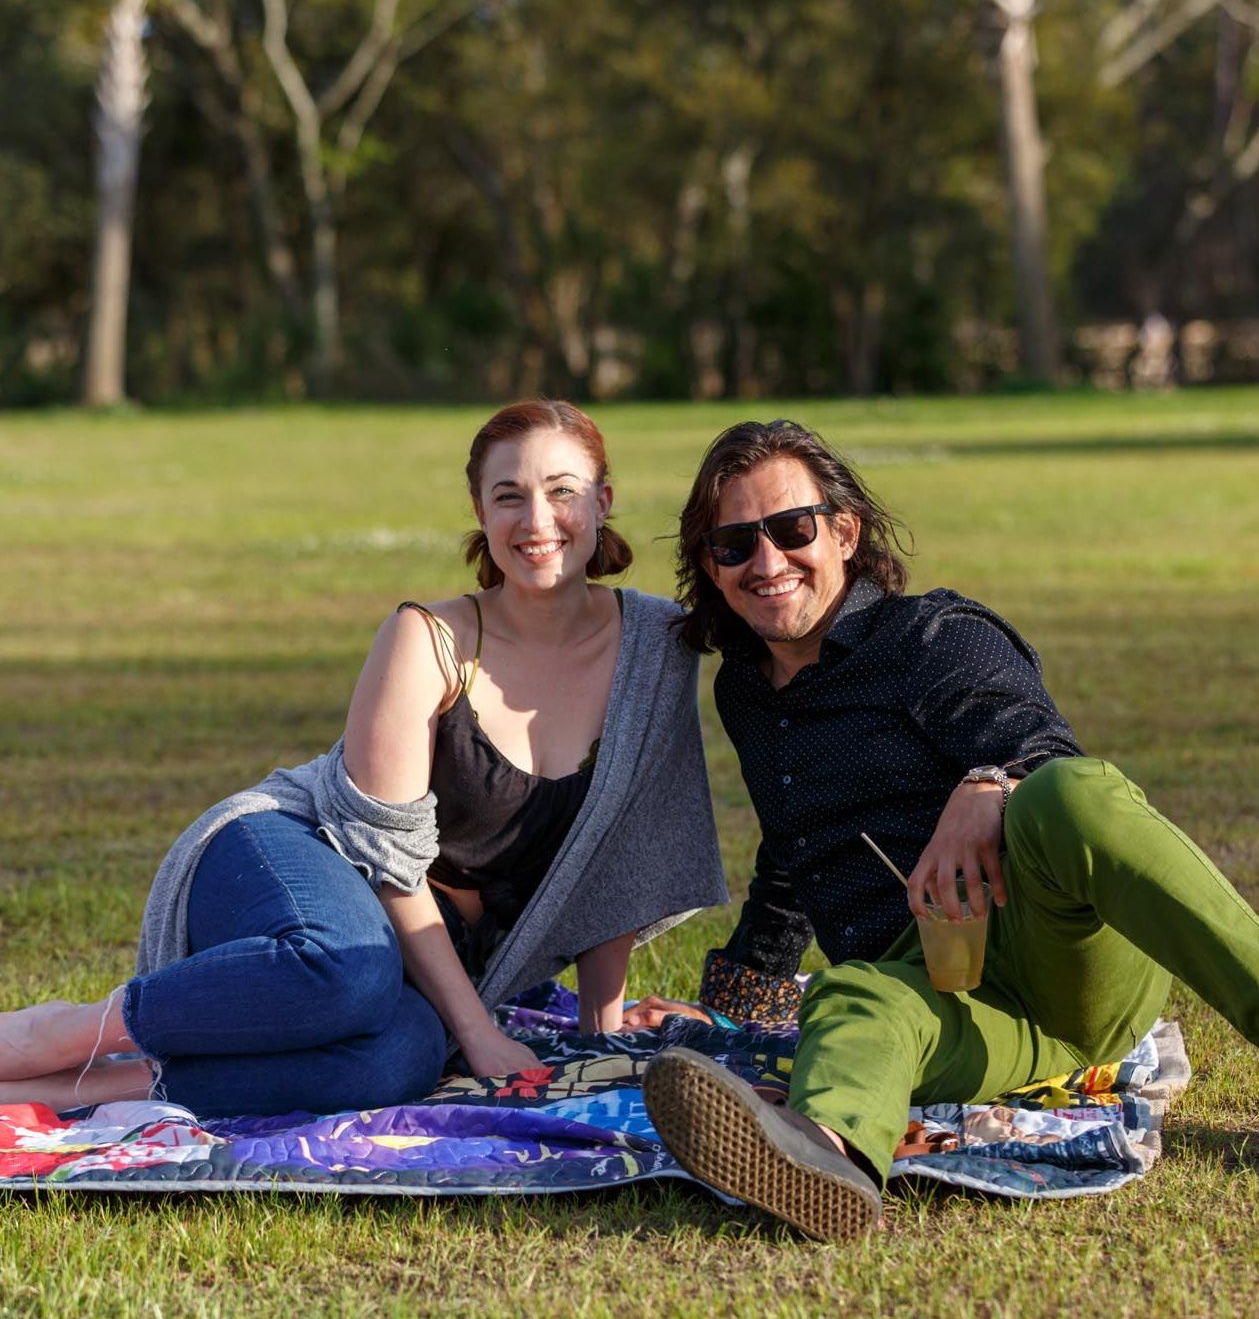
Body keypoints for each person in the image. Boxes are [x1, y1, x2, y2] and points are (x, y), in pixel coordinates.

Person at [638, 417, 1259, 1243]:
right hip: (937, 995)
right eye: (733, 545)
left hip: (1055, 952)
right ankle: (818, 1160)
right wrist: (729, 1014)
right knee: (855, 999)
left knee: (1064, 795)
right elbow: (792, 855)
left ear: (845, 531)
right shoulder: (744, 692)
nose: (766, 562)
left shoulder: (930, 637)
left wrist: (990, 781)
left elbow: (1048, 754)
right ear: (709, 566)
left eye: (791, 530)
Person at [0, 400, 726, 1119]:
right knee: (350, 972)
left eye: (562, 490)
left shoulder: (653, 645)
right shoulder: (429, 637)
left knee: (399, 1059)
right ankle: (53, 1033)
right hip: (295, 853)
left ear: (603, 500)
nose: (537, 520)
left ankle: (74, 1089)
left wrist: (600, 1030)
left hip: (425, 946)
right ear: (480, 509)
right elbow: (386, 861)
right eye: (510, 496)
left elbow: (618, 857)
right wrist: (476, 1029)